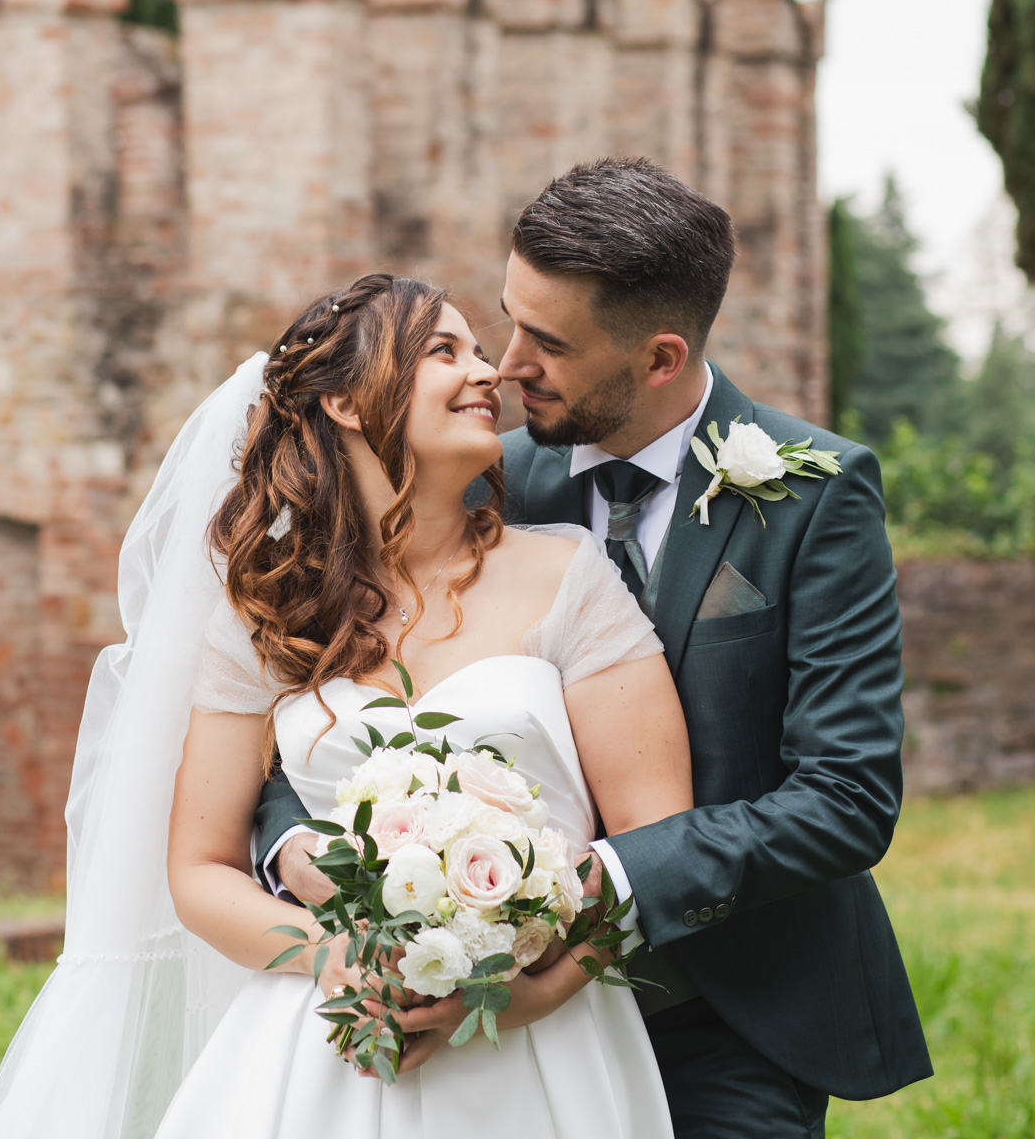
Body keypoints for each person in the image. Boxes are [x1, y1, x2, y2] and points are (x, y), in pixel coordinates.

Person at [256, 159, 933, 1139]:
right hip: (487, 1012)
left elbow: (847, 796)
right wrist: (308, 845)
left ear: (659, 359)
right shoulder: (485, 470)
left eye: (548, 341)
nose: (504, 363)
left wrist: (605, 882)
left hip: (730, 1005)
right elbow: (325, 694)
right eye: (507, 317)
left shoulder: (815, 494)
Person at [0, 271, 689, 1138]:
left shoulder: (568, 580)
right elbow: (200, 870)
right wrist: (337, 956)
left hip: (545, 1049)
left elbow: (656, 841)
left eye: (481, 350)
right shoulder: (270, 614)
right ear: (347, 403)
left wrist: (536, 985)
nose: (488, 372)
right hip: (329, 1043)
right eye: (444, 351)